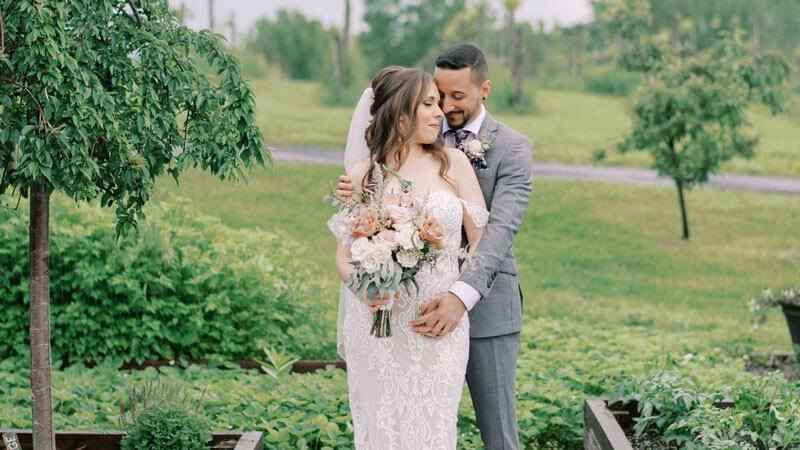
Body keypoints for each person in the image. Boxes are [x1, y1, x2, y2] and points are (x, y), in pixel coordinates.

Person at [337, 44, 533, 449]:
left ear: (484, 90)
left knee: (495, 435)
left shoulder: (508, 148)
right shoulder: (388, 157)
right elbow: (349, 245)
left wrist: (459, 297)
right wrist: (368, 285)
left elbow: (495, 235)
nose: (443, 106)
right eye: (436, 96)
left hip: (479, 304)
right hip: (392, 318)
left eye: (455, 96)